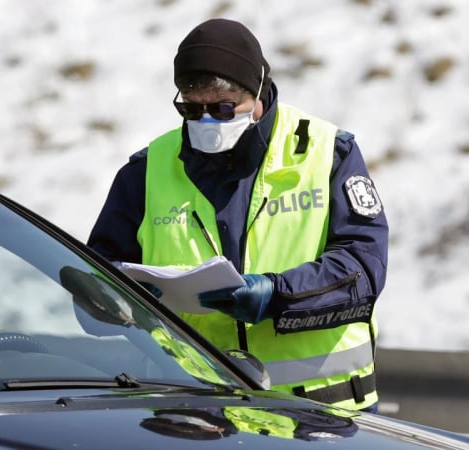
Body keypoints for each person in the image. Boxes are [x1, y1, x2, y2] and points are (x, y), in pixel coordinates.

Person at [88, 18, 388, 411]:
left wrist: (277, 294)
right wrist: (126, 301)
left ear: (259, 93)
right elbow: (95, 281)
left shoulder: (328, 153)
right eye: (192, 110)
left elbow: (364, 267)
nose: (207, 121)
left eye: (224, 108)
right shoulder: (145, 173)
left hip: (325, 416)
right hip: (195, 418)